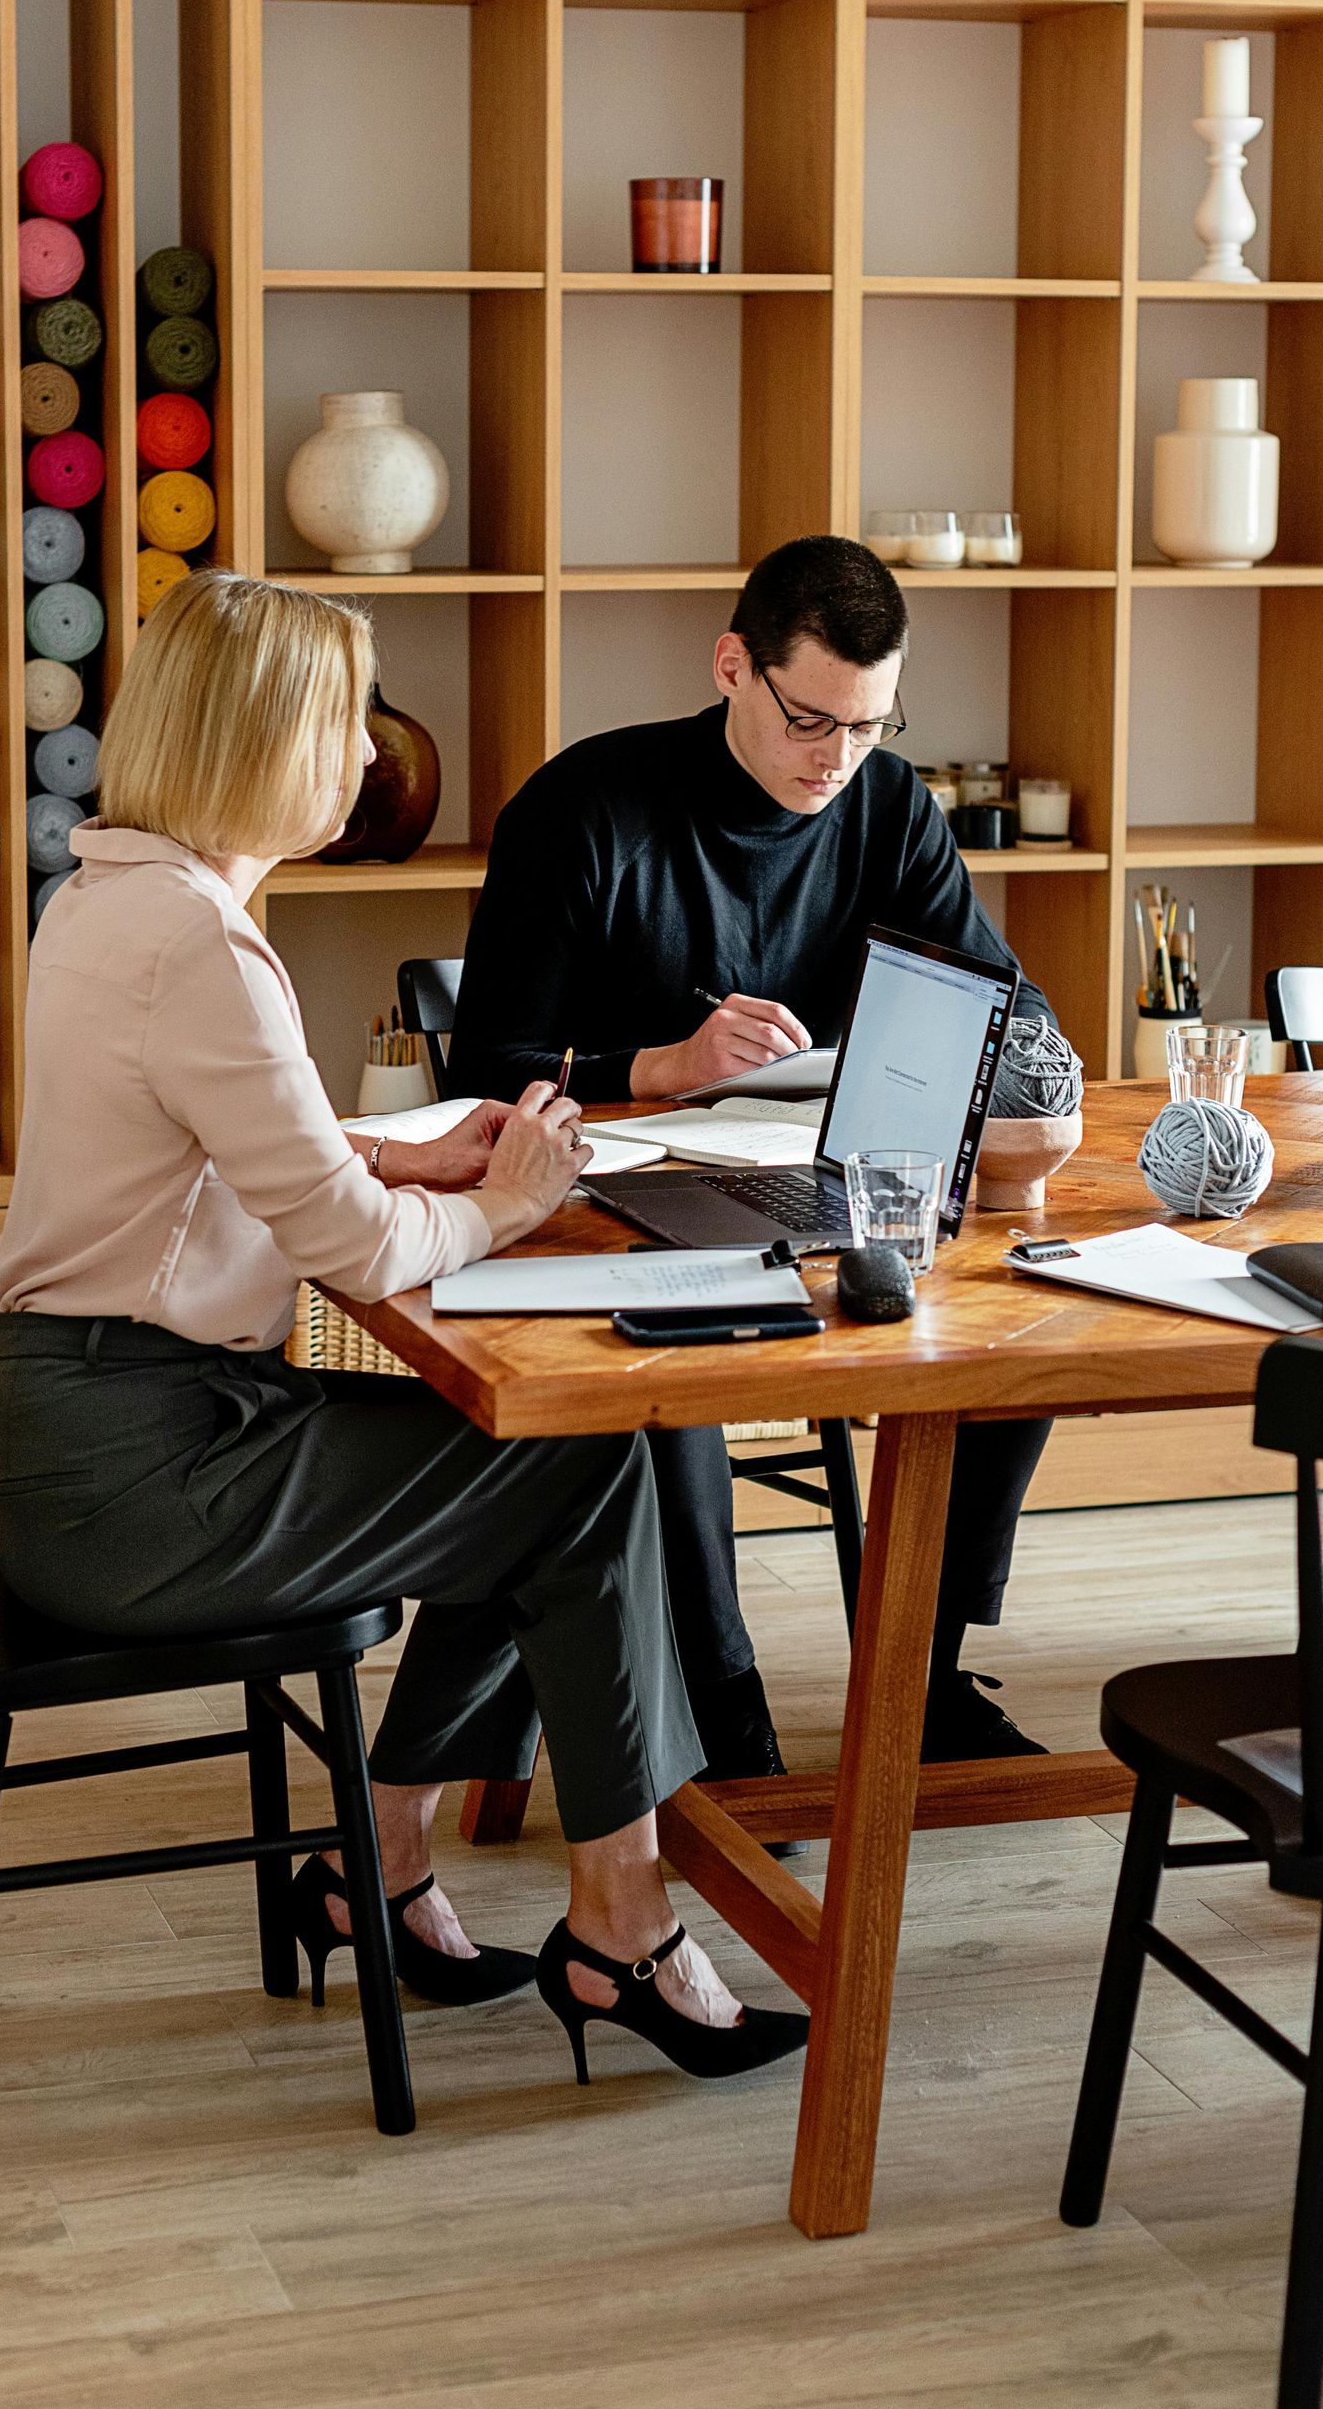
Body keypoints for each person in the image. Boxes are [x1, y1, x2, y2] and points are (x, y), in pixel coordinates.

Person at [0, 571, 805, 2083]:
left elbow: (216, 1154)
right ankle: (620, 1921)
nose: (368, 756)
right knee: (574, 1472)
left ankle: (393, 1868)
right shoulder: (202, 947)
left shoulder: (116, 898)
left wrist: (404, 1153)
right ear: (266, 739)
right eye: (345, 720)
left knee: (531, 1454)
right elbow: (354, 1257)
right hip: (138, 1471)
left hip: (94, 1430)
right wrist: (508, 1197)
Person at [448, 534, 1057, 1769]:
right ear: (734, 665)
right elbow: (480, 1075)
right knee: (681, 1353)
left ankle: (922, 1674)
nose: (836, 760)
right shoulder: (585, 809)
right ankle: (724, 1708)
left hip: (827, 1182)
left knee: (1011, 1322)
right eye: (810, 720)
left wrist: (1036, 1069)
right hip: (602, 1198)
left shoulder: (888, 804)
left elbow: (1004, 1003)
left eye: (870, 726)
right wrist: (662, 1068)